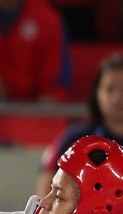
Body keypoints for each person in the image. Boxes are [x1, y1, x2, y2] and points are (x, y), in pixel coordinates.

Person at [36, 54, 123, 197]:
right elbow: (47, 186)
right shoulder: (76, 139)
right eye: (110, 89)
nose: (118, 97)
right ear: (96, 94)